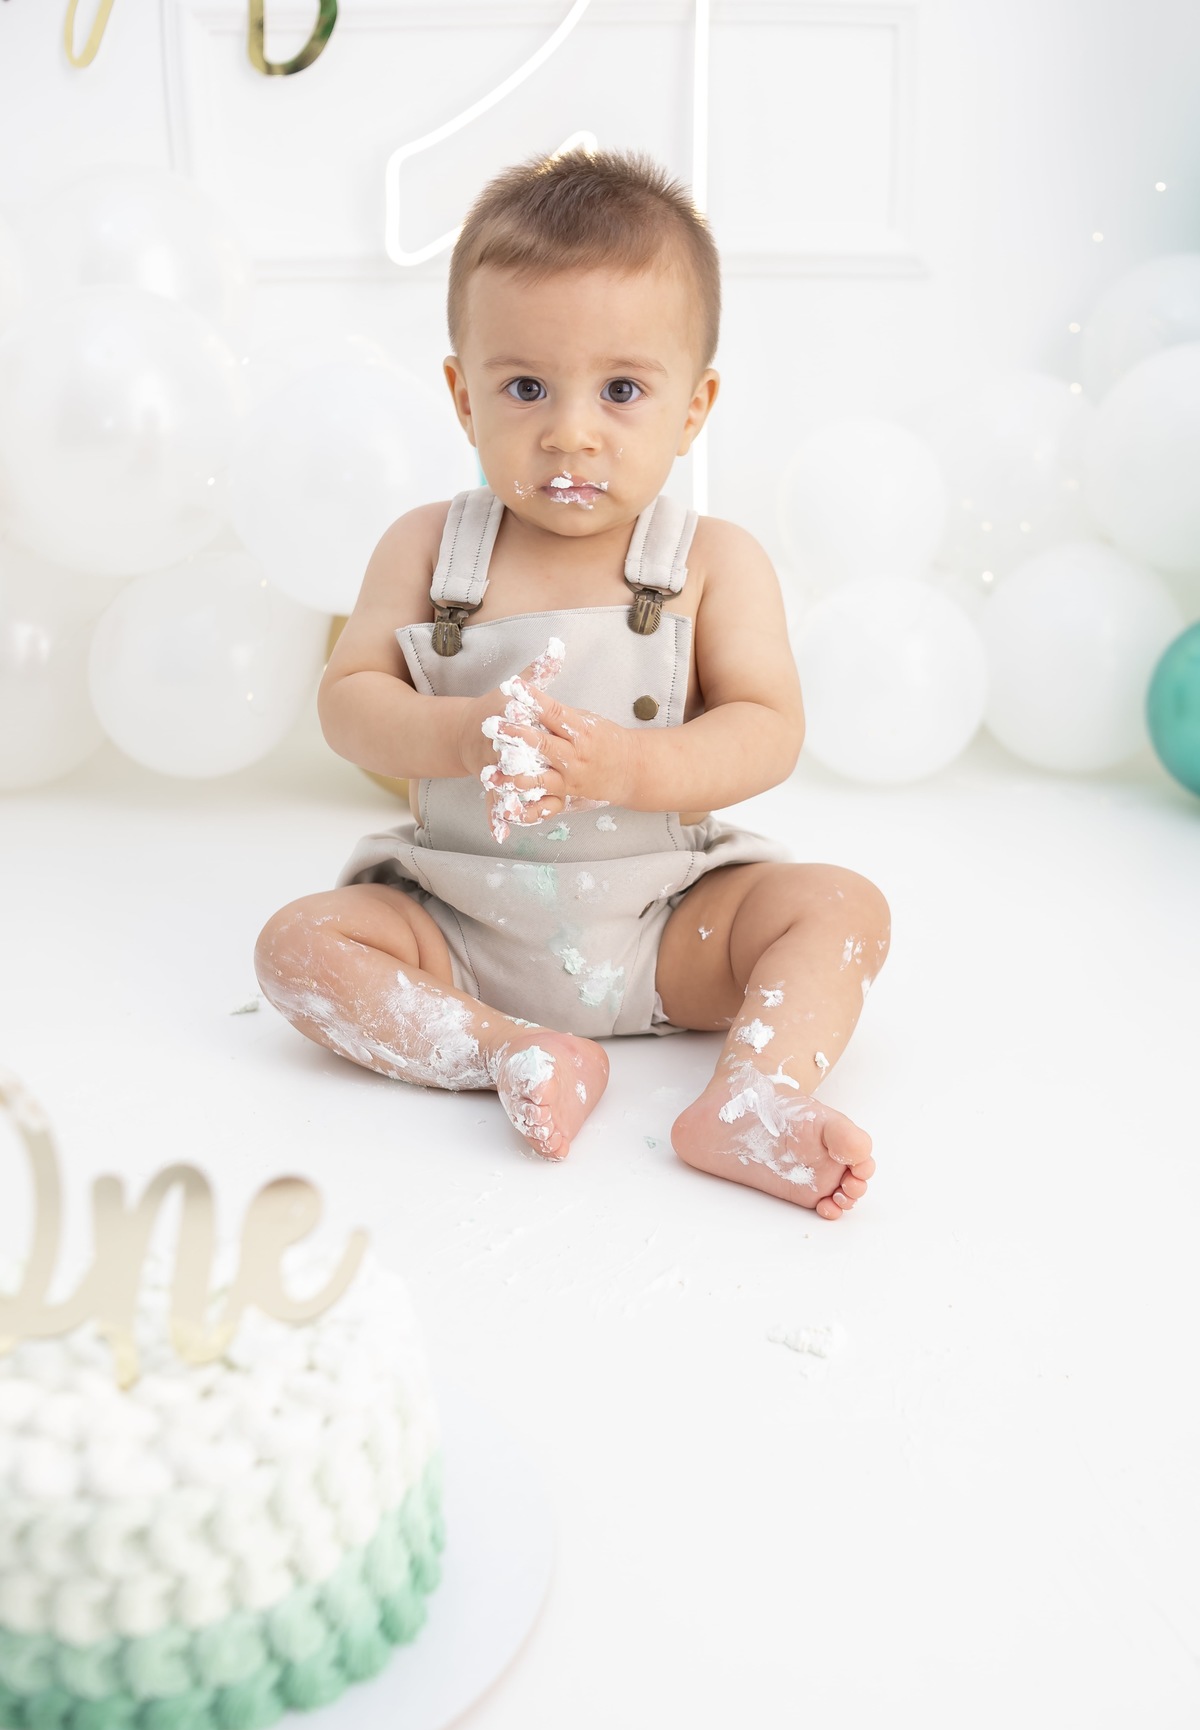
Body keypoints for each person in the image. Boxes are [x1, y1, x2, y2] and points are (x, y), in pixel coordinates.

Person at [255, 148, 889, 1221]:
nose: (571, 431)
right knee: (296, 948)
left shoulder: (714, 563)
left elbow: (769, 729)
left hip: (662, 924)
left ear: (695, 408)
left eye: (624, 390)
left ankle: (751, 1097)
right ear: (463, 396)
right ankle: (506, 1051)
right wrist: (459, 736)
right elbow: (347, 699)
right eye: (526, 387)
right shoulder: (426, 550)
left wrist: (637, 762)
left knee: (841, 907)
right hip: (458, 921)